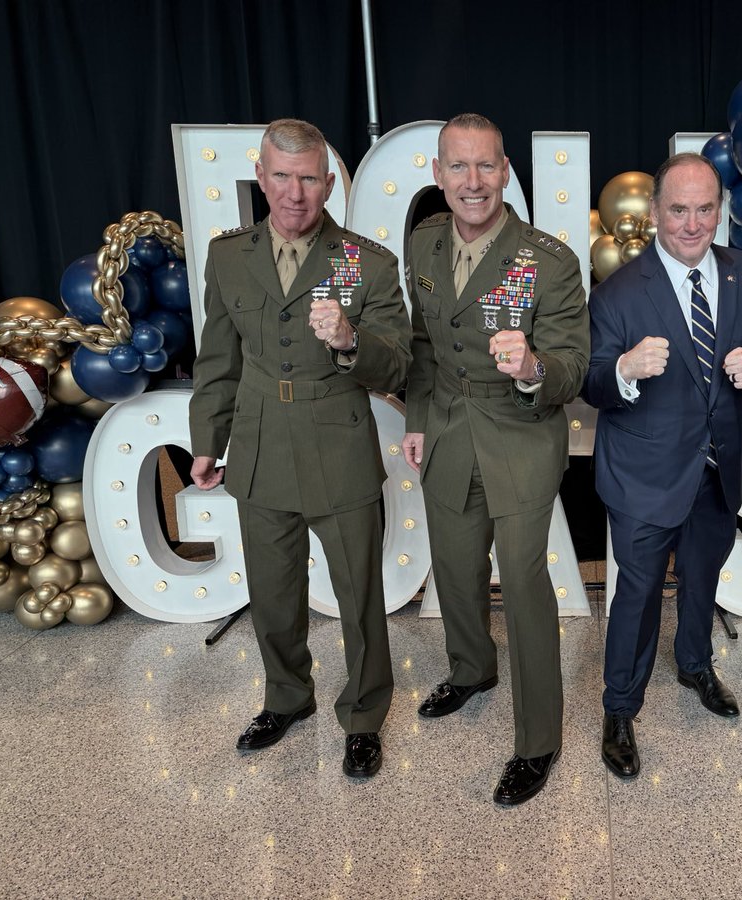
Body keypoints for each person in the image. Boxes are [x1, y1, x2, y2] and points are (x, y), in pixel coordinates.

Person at [189, 118, 412, 779]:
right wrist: (208, 440)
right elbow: (217, 359)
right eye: (281, 177)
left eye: (309, 178)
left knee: (358, 596)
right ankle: (287, 696)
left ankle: (365, 713)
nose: (294, 193)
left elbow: (397, 366)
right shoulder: (229, 254)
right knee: (273, 592)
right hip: (258, 448)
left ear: (329, 182)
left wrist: (349, 340)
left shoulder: (364, 262)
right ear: (261, 178)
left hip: (338, 449)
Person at [583, 152, 742, 779]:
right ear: (654, 214)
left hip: (718, 469)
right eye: (678, 209)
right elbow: (590, 381)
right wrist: (623, 371)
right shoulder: (618, 292)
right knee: (638, 594)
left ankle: (696, 664)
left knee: (704, 578)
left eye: (706, 209)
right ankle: (620, 707)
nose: (692, 223)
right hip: (644, 478)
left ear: (720, 211)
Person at [401, 113, 589, 807]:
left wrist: (535, 365)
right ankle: (472, 668)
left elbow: (573, 366)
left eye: (486, 167)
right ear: (438, 173)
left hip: (521, 433)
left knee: (521, 579)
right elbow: (422, 346)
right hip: (446, 428)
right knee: (453, 564)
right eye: (459, 167)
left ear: (506, 172)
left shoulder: (549, 259)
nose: (473, 182)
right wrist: (420, 420)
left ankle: (537, 739)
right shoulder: (421, 244)